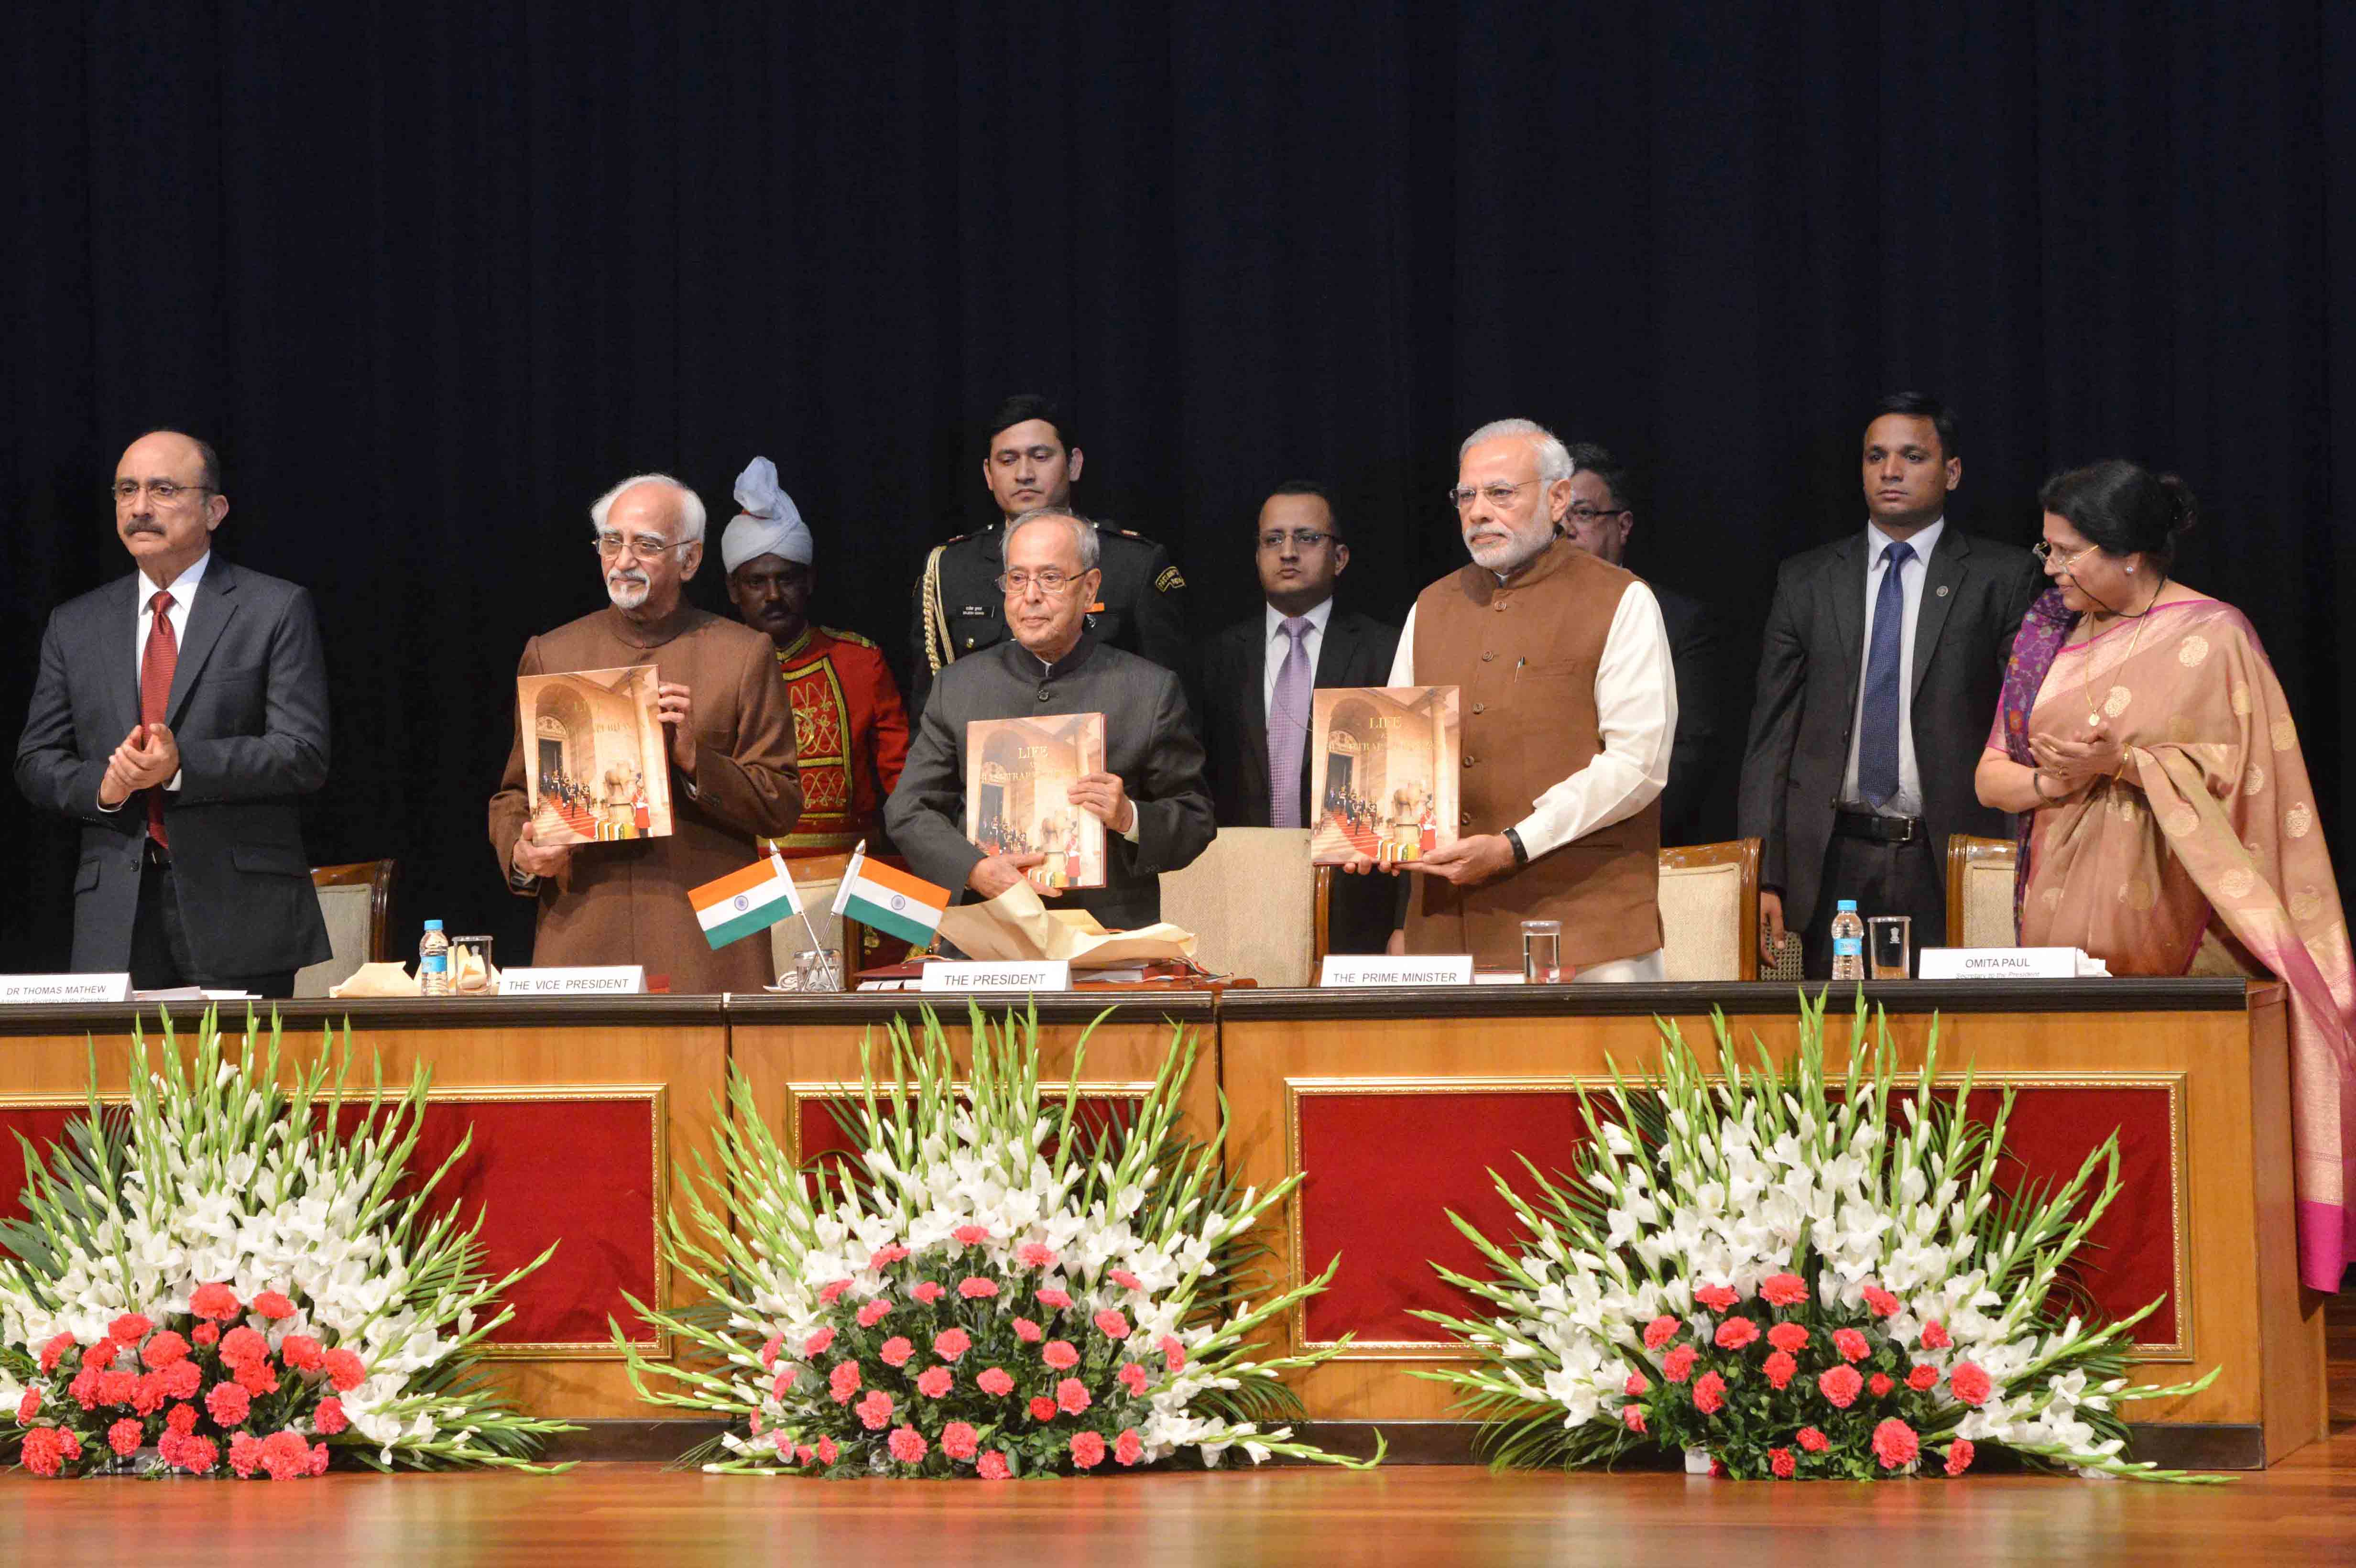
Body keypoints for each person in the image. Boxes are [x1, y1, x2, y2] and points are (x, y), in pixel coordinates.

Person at [1975, 460, 2355, 1290]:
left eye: (2066, 552)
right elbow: (1989, 777)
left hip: (2191, 931)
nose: (2049, 569)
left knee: (2181, 1142)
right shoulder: (2044, 630)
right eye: (2044, 549)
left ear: (2129, 556)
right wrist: (2061, 781)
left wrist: (2134, 765)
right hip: (2055, 918)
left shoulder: (2213, 635)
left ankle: (2194, 1304)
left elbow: (2246, 775)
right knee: (2070, 1125)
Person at [15, 430, 332, 996]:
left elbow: (302, 753)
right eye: (127, 490)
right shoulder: (76, 623)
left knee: (243, 1086)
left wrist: (181, 764)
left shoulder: (274, 608)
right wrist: (106, 785)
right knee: (117, 1087)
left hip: (240, 913)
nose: (139, 508)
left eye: (163, 490)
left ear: (214, 510)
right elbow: (36, 761)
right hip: (114, 915)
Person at [1738, 393, 2043, 977]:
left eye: (1911, 456)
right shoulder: (1806, 579)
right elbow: (1771, 735)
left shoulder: (2001, 577)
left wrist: (2016, 865)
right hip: (1830, 858)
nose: (1890, 471)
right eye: (1875, 456)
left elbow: (2024, 727)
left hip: (1950, 854)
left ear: (1950, 472)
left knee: (1953, 1047)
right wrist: (1764, 872)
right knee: (1834, 1048)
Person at [1373, 418, 1676, 980]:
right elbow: (1396, 757)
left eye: (1500, 493)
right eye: (1465, 495)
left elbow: (1637, 766)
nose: (1478, 511)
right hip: (1446, 935)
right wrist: (1377, 830)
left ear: (1559, 499)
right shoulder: (1431, 606)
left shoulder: (1621, 599)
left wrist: (1515, 844)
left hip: (1586, 933)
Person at [489, 473, 803, 992]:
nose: (624, 559)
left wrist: (695, 760)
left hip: (709, 939)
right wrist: (523, 855)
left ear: (691, 560)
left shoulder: (742, 654)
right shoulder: (553, 654)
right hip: (585, 932)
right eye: (611, 541)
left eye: (647, 545)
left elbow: (782, 803)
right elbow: (514, 797)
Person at [887, 507, 1216, 931]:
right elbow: (908, 809)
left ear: (1090, 587)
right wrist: (973, 870)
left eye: (1051, 578)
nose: (1031, 595)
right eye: (1018, 579)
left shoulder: (1148, 690)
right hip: (988, 936)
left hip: (1107, 939)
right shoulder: (959, 687)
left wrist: (1129, 817)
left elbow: (1195, 818)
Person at [1196, 480, 1401, 953]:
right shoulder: (1215, 658)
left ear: (1340, 557)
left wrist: (1401, 919)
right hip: (1243, 896)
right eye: (1272, 539)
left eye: (1306, 538)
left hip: (1358, 896)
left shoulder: (1386, 650)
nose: (1287, 552)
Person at [909, 394, 1190, 715]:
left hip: (1104, 759)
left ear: (1074, 464)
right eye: (1008, 460)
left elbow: (1174, 707)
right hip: (987, 759)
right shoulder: (949, 570)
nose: (1024, 473)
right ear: (988, 474)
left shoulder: (1133, 565)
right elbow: (927, 711)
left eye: (1040, 456)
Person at [720, 456, 910, 860]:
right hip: (741, 881)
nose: (773, 595)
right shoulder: (711, 666)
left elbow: (904, 785)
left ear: (810, 581)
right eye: (756, 582)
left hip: (850, 876)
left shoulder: (859, 662)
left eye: (785, 578)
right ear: (734, 590)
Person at [1560, 444, 1725, 846]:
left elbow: (1687, 758)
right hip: (1532, 844)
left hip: (1631, 848)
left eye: (1582, 513)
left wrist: (1601, 840)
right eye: (1557, 514)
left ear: (1624, 525)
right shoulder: (1519, 616)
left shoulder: (1681, 622)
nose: (1566, 528)